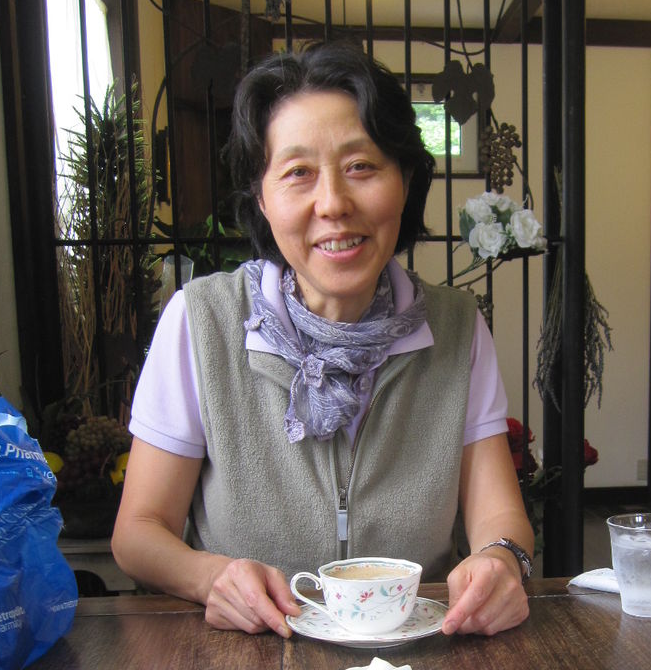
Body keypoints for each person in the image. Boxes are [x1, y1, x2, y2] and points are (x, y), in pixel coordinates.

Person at [112, 41, 533, 637]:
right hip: (252, 656)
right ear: (262, 198)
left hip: (410, 661)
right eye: (298, 173)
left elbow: (500, 517)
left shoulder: (456, 327)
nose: (333, 203)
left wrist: (501, 560)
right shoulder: (201, 321)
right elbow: (138, 531)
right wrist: (211, 578)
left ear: (405, 181)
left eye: (362, 166)